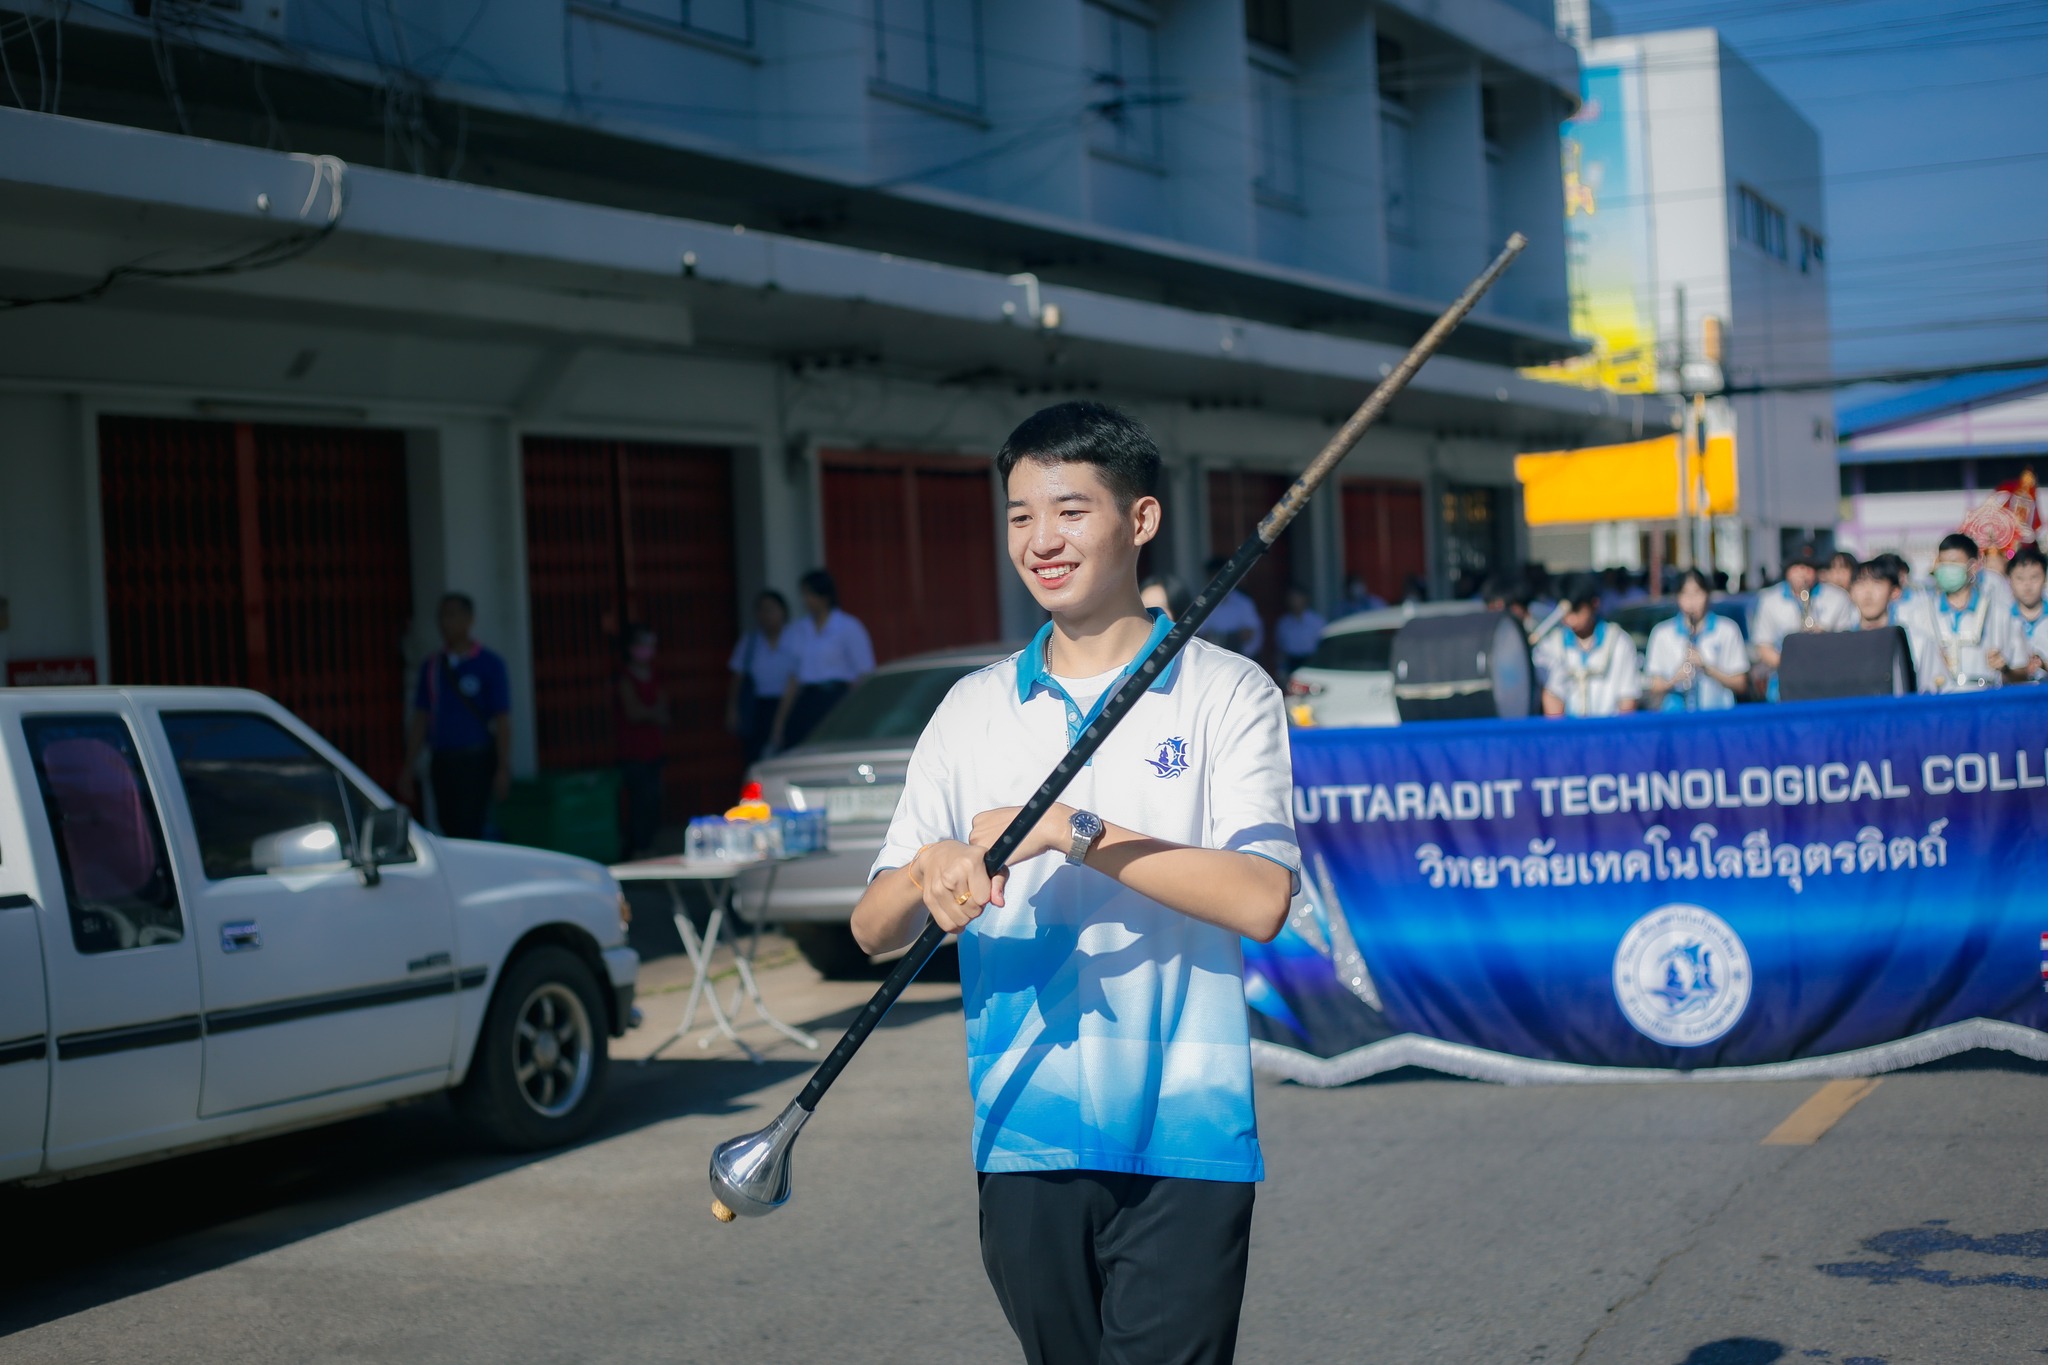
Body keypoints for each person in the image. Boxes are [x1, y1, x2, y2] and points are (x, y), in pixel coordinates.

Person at [851, 401, 1296, 1365]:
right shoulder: (969, 711)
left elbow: (1262, 898)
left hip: (1185, 1137)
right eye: (1019, 515)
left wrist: (1070, 830)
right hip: (1022, 1133)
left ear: (1139, 521)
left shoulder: (1227, 691)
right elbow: (871, 926)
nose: (1040, 541)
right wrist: (929, 872)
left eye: (1069, 510)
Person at [398, 592, 511, 840]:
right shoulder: (433, 666)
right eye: (442, 616)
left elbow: (503, 719)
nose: (445, 623)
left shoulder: (489, 664)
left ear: (469, 620)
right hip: (443, 759)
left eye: (452, 615)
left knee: (470, 826)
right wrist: (408, 766)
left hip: (475, 760)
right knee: (446, 823)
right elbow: (421, 718)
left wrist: (503, 766)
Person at [771, 569, 875, 751]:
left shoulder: (848, 627)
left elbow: (864, 674)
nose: (806, 600)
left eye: (810, 594)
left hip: (838, 699)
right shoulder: (800, 629)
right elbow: (793, 679)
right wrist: (780, 722)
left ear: (824, 596)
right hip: (808, 700)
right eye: (804, 595)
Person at [1915, 532, 2028, 688]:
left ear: (1973, 567)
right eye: (1942, 563)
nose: (1946, 570)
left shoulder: (2000, 614)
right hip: (1939, 704)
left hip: (1986, 703)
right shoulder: (1920, 614)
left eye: (1953, 563)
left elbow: (2022, 671)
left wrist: (2005, 668)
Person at [1642, 570, 1749, 711]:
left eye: (1697, 593)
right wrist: (1675, 678)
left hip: (1717, 715)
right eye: (1685, 594)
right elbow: (1653, 686)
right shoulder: (1662, 633)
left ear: (1707, 594)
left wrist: (1707, 668)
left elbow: (1741, 684)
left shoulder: (1727, 630)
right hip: (1676, 716)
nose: (1691, 601)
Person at [1749, 550, 1853, 696]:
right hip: (1784, 680)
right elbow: (1763, 645)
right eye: (1797, 567)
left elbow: (1847, 639)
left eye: (1808, 568)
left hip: (1827, 677)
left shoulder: (1837, 597)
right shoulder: (1769, 599)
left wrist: (1826, 637)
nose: (1802, 573)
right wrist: (1792, 664)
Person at [1533, 576, 1640, 717]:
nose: (1570, 619)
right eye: (1565, 613)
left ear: (1594, 604)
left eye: (1576, 610)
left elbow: (1627, 701)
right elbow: (1552, 701)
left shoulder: (1620, 642)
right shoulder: (1550, 645)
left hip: (1609, 731)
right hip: (1568, 733)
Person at [1847, 558, 1948, 693]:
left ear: (1895, 592)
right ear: (1850, 593)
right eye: (1860, 584)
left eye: (1877, 583)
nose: (1867, 593)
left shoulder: (1916, 642)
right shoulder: (1842, 643)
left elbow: (1937, 691)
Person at [726, 590, 801, 763]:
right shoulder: (750, 641)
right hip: (758, 706)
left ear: (783, 612)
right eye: (761, 610)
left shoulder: (796, 638)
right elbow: (738, 676)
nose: (765, 615)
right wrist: (732, 708)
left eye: (770, 610)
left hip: (788, 704)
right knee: (755, 753)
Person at [616, 624, 671, 859]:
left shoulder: (655, 675)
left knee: (653, 800)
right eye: (641, 644)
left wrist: (650, 712)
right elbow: (634, 712)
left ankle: (648, 846)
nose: (646, 650)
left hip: (653, 749)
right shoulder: (624, 678)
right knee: (638, 801)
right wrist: (652, 712)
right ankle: (637, 848)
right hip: (632, 750)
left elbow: (663, 710)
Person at [1194, 555, 1263, 657]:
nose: (1218, 584)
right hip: (1214, 660)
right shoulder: (1202, 604)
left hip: (1243, 659)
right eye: (1213, 579)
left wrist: (1226, 639)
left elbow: (1250, 633)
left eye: (1220, 579)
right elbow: (1203, 636)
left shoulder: (1244, 603)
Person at [2006, 545, 2048, 680]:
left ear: (2045, 578)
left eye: (2034, 577)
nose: (2027, 585)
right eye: (2020, 578)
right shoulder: (2001, 618)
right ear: (2010, 580)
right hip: (2013, 695)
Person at [1274, 586, 1326, 675]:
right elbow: (1280, 649)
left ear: (1304, 599)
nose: (1293, 601)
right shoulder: (1284, 623)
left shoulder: (1316, 621)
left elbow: (1323, 646)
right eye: (1291, 598)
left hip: (1311, 662)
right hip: (1292, 663)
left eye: (1296, 598)